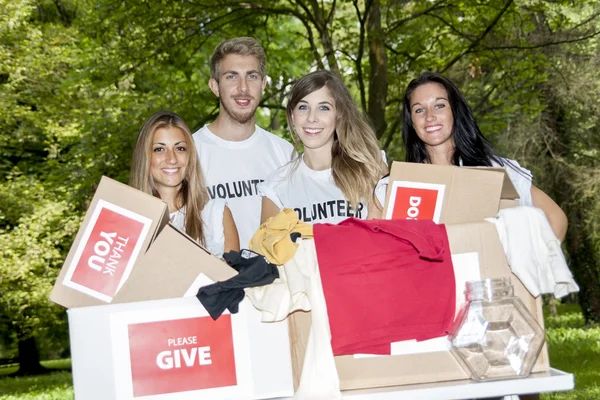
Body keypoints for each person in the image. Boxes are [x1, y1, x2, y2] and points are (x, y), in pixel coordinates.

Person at [371, 72, 568, 243]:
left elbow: (556, 220)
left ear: (455, 111)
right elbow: (372, 248)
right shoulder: (396, 187)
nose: (429, 116)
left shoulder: (495, 172)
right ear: (412, 122)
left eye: (439, 106)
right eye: (419, 110)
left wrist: (525, 278)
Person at [193, 37, 294, 246]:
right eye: (231, 77)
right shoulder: (190, 152)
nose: (243, 88)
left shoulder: (285, 152)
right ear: (215, 86)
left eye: (252, 76)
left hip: (278, 277)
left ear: (263, 83)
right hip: (215, 276)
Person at [259, 70, 387, 225]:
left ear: (338, 115)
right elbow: (268, 247)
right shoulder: (276, 186)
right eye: (303, 107)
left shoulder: (371, 168)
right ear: (292, 116)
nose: (312, 118)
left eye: (324, 108)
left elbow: (387, 236)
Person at [130, 111, 239, 258]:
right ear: (145, 157)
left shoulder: (216, 214)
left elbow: (234, 279)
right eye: (159, 149)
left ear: (190, 156)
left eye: (180, 148)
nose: (172, 159)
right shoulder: (128, 219)